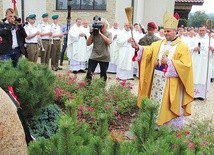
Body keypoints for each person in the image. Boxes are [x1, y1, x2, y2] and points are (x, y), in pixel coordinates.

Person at [131, 11, 194, 129]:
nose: (166, 33)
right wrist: (138, 47)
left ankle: (170, 126)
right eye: (165, 31)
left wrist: (169, 63)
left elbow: (186, 66)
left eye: (168, 31)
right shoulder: (158, 43)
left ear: (175, 31)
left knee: (168, 104)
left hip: (171, 82)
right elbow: (148, 51)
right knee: (156, 101)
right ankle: (155, 124)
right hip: (157, 80)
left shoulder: (183, 47)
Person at [191, 25, 214, 99]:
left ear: (206, 30)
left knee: (204, 77)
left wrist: (212, 49)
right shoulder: (194, 39)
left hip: (205, 62)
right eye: (200, 30)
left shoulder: (210, 40)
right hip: (196, 62)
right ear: (198, 31)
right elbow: (188, 49)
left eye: (203, 30)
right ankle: (194, 94)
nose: (201, 32)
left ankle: (203, 95)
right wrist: (194, 49)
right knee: (195, 76)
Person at [85, 18, 112, 82]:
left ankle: (101, 88)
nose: (100, 26)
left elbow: (109, 42)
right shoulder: (95, 33)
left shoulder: (108, 34)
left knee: (103, 75)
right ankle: (86, 87)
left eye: (102, 25)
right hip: (94, 56)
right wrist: (92, 34)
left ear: (106, 26)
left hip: (104, 57)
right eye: (99, 24)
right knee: (89, 73)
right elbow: (88, 43)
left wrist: (100, 34)